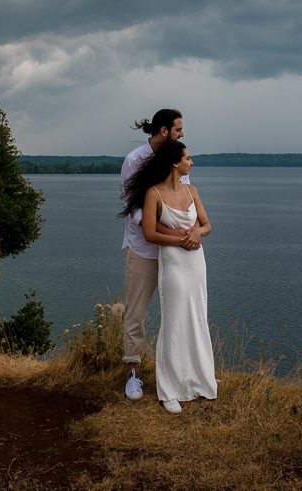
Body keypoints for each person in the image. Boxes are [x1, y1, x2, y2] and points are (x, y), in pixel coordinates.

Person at [121, 139, 216, 413]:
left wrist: (198, 233)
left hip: (196, 261)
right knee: (174, 320)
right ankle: (170, 388)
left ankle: (200, 378)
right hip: (173, 262)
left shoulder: (192, 190)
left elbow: (207, 224)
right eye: (188, 158)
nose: (192, 162)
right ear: (175, 163)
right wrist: (181, 240)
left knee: (196, 317)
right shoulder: (153, 193)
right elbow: (150, 233)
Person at [120, 109, 196, 402]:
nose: (182, 133)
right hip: (144, 249)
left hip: (175, 252)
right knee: (136, 313)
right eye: (178, 129)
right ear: (163, 130)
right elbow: (133, 209)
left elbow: (186, 200)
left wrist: (192, 232)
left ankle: (183, 372)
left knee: (179, 312)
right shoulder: (134, 160)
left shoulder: (179, 158)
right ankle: (133, 374)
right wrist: (167, 230)